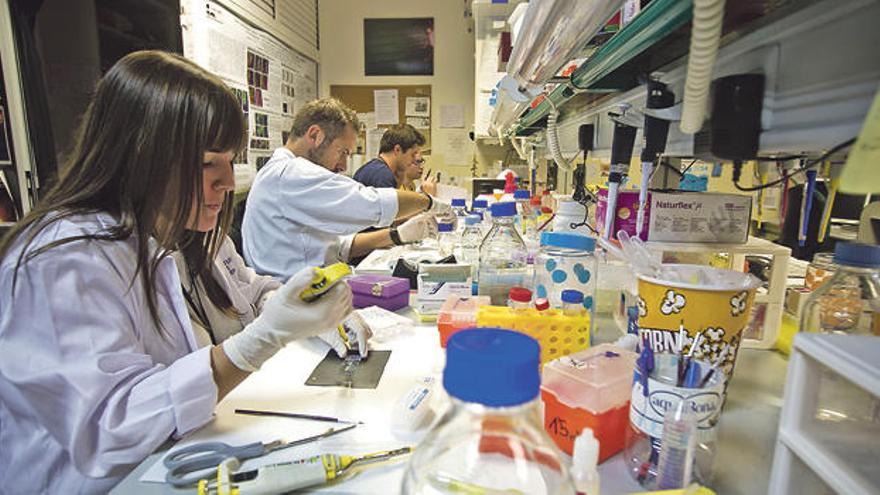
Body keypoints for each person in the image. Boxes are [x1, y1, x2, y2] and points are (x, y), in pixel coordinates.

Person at [0, 51, 352, 492]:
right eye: (209, 163)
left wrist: (301, 305)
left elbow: (249, 289)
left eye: (230, 159)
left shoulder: (186, 228)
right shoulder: (61, 260)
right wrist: (260, 341)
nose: (227, 182)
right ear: (140, 154)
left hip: (177, 457)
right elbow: (112, 426)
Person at [242, 97, 454, 279]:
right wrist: (430, 203)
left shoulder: (284, 174)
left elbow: (339, 247)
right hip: (299, 301)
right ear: (315, 135)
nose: (343, 165)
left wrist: (398, 235)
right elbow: (375, 203)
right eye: (342, 152)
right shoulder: (291, 173)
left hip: (310, 290)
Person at [352, 123, 425, 189]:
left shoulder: (373, 168)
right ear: (397, 150)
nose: (413, 161)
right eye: (412, 155)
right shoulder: (383, 176)